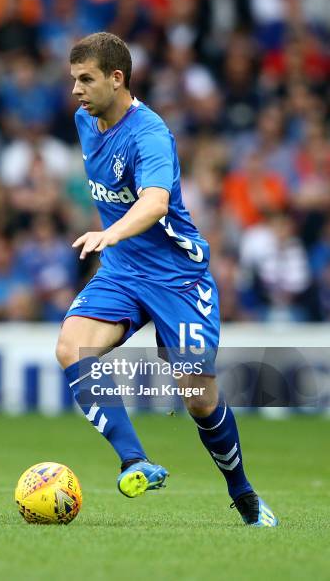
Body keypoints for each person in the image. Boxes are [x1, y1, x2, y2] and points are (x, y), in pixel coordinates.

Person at [56, 32, 278, 527]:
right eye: (74, 79)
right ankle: (135, 461)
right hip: (124, 271)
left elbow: (155, 203)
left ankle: (244, 496)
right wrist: (114, 244)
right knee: (72, 347)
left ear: (118, 79)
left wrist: (107, 234)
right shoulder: (84, 121)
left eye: (86, 79)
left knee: (198, 396)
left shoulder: (150, 134)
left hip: (178, 277)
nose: (76, 90)